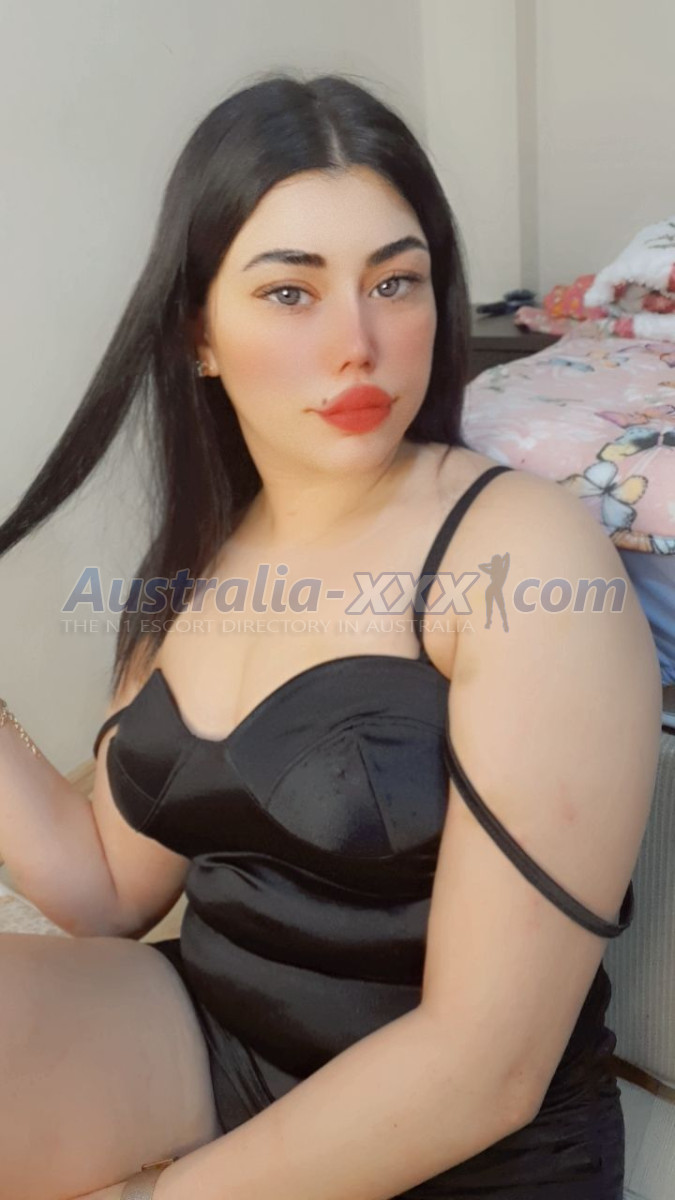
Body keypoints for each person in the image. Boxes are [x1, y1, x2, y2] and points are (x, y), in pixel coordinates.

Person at [0, 71, 662, 1200]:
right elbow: (108, 888)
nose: (358, 342)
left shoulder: (524, 555)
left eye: (394, 282)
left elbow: (487, 1069)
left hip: (468, 1139)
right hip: (217, 1035)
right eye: (289, 292)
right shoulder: (200, 550)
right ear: (199, 333)